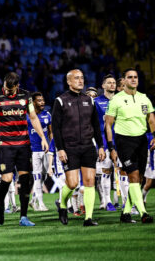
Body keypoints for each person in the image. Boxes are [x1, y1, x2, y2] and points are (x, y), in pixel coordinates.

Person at [0, 72, 49, 227]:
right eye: (5, 88)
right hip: (5, 144)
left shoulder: (26, 96)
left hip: (23, 143)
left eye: (10, 90)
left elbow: (34, 117)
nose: (7, 92)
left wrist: (43, 138)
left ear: (17, 86)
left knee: (24, 179)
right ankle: (0, 204)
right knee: (7, 179)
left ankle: (23, 216)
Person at [52, 69, 105, 226]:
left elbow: (95, 125)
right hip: (69, 147)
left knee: (89, 182)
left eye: (82, 78)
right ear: (69, 82)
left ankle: (88, 218)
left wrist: (100, 146)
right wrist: (60, 149)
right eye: (76, 78)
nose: (80, 81)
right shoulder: (60, 101)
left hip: (88, 146)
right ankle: (62, 204)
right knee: (73, 183)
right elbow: (55, 128)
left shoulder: (89, 100)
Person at [105, 68, 155, 224]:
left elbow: (151, 118)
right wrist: (111, 146)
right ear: (124, 80)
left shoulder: (144, 99)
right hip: (124, 141)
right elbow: (108, 124)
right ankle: (143, 213)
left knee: (139, 178)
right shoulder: (116, 100)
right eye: (130, 77)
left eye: (135, 77)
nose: (133, 79)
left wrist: (154, 135)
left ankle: (126, 212)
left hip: (141, 141)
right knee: (133, 176)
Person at [94, 74, 117, 211]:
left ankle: (126, 202)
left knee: (123, 172)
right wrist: (98, 145)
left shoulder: (121, 100)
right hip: (103, 141)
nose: (112, 84)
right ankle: (107, 201)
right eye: (109, 82)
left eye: (114, 82)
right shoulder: (96, 102)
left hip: (121, 141)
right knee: (106, 171)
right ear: (103, 86)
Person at [27, 92, 53, 212]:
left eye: (43, 100)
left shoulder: (47, 114)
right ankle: (41, 203)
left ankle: (33, 200)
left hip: (46, 150)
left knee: (43, 176)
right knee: (37, 176)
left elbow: (50, 132)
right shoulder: (27, 116)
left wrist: (52, 146)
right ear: (33, 102)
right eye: (39, 100)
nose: (42, 102)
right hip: (34, 150)